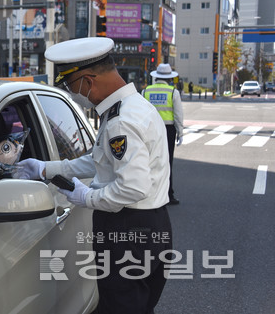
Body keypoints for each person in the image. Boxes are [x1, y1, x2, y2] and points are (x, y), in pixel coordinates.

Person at [15, 37, 172, 314]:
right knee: (138, 303)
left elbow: (132, 188)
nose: (71, 92)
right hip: (152, 224)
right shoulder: (134, 107)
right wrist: (46, 168)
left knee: (122, 305)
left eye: (69, 84)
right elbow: (99, 161)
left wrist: (87, 197)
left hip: (127, 229)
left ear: (88, 81)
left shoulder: (121, 121)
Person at [143, 63, 183, 205]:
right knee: (166, 162)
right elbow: (178, 115)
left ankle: (148, 192)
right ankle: (168, 194)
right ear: (170, 78)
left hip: (149, 130)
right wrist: (180, 132)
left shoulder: (146, 91)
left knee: (148, 161)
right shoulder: (173, 92)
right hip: (168, 130)